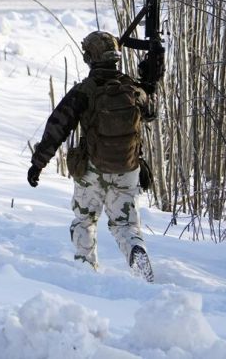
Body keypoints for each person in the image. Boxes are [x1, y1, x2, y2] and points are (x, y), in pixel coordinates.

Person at [27, 31, 155, 282]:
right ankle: (136, 251)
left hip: (92, 170)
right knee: (126, 226)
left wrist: (38, 163)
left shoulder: (84, 91)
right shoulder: (133, 89)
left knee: (85, 221)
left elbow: (57, 128)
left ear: (90, 58)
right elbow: (150, 112)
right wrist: (148, 80)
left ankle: (86, 272)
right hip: (128, 168)